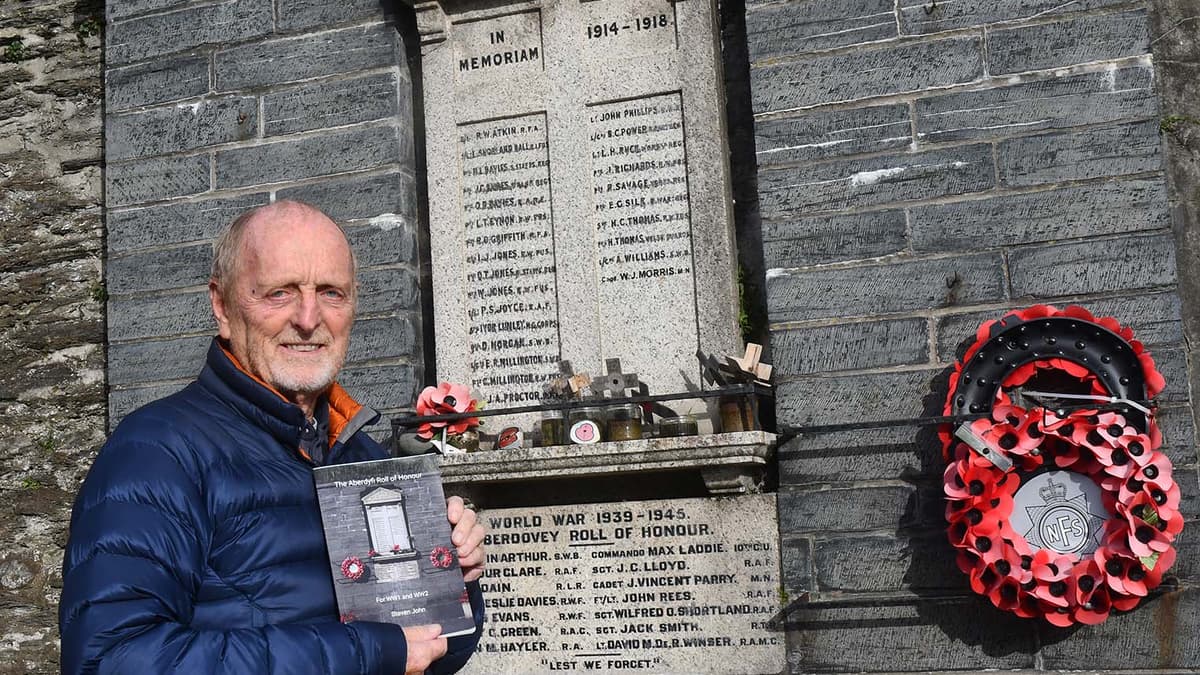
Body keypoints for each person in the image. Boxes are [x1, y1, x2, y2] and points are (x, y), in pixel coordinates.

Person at [59, 200, 486, 674]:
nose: (308, 318)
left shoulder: (359, 454)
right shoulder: (156, 455)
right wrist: (365, 652)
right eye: (280, 293)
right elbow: (110, 660)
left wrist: (451, 580)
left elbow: (428, 655)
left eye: (331, 293)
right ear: (221, 306)